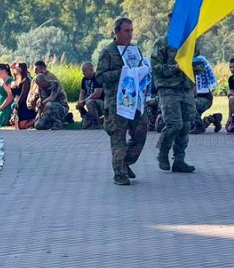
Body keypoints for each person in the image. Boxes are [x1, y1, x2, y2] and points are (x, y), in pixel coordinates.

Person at [96, 17, 148, 185]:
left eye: (132, 30)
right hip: (116, 103)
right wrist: (122, 72)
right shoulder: (108, 52)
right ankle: (119, 174)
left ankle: (126, 162)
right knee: (118, 138)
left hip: (135, 101)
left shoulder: (135, 50)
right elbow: (100, 76)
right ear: (117, 32)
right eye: (126, 31)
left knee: (141, 133)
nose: (130, 34)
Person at [151, 13, 196, 173]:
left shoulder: (189, 43)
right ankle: (163, 152)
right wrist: (176, 68)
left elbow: (195, 61)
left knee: (185, 125)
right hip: (168, 89)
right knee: (174, 124)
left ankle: (179, 159)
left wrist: (196, 67)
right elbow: (155, 67)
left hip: (185, 88)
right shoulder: (161, 43)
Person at [189, 55, 223, 134]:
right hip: (194, 100)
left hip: (204, 98)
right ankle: (213, 118)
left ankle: (199, 126)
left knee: (190, 103)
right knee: (189, 125)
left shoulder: (199, 64)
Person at [77, 62, 104, 129]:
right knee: (84, 127)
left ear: (91, 70)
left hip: (101, 103)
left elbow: (97, 93)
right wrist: (80, 101)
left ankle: (96, 124)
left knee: (90, 102)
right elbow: (82, 92)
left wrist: (84, 101)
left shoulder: (97, 78)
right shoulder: (84, 79)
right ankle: (87, 118)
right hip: (89, 102)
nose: (83, 73)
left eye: (84, 71)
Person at [11, 62, 37, 129]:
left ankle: (37, 119)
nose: (15, 69)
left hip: (24, 103)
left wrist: (18, 104)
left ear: (20, 69)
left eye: (16, 68)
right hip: (18, 101)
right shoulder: (18, 78)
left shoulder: (26, 79)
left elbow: (24, 93)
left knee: (21, 125)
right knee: (17, 124)